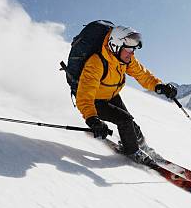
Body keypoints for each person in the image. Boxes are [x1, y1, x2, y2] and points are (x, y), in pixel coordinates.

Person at [76, 25, 177, 163]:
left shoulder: (125, 59)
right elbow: (84, 95)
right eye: (129, 49)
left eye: (133, 49)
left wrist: (159, 86)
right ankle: (133, 152)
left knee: (131, 124)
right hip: (95, 101)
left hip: (111, 95)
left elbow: (142, 75)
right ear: (115, 46)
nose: (132, 53)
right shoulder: (96, 63)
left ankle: (143, 147)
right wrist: (92, 119)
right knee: (125, 120)